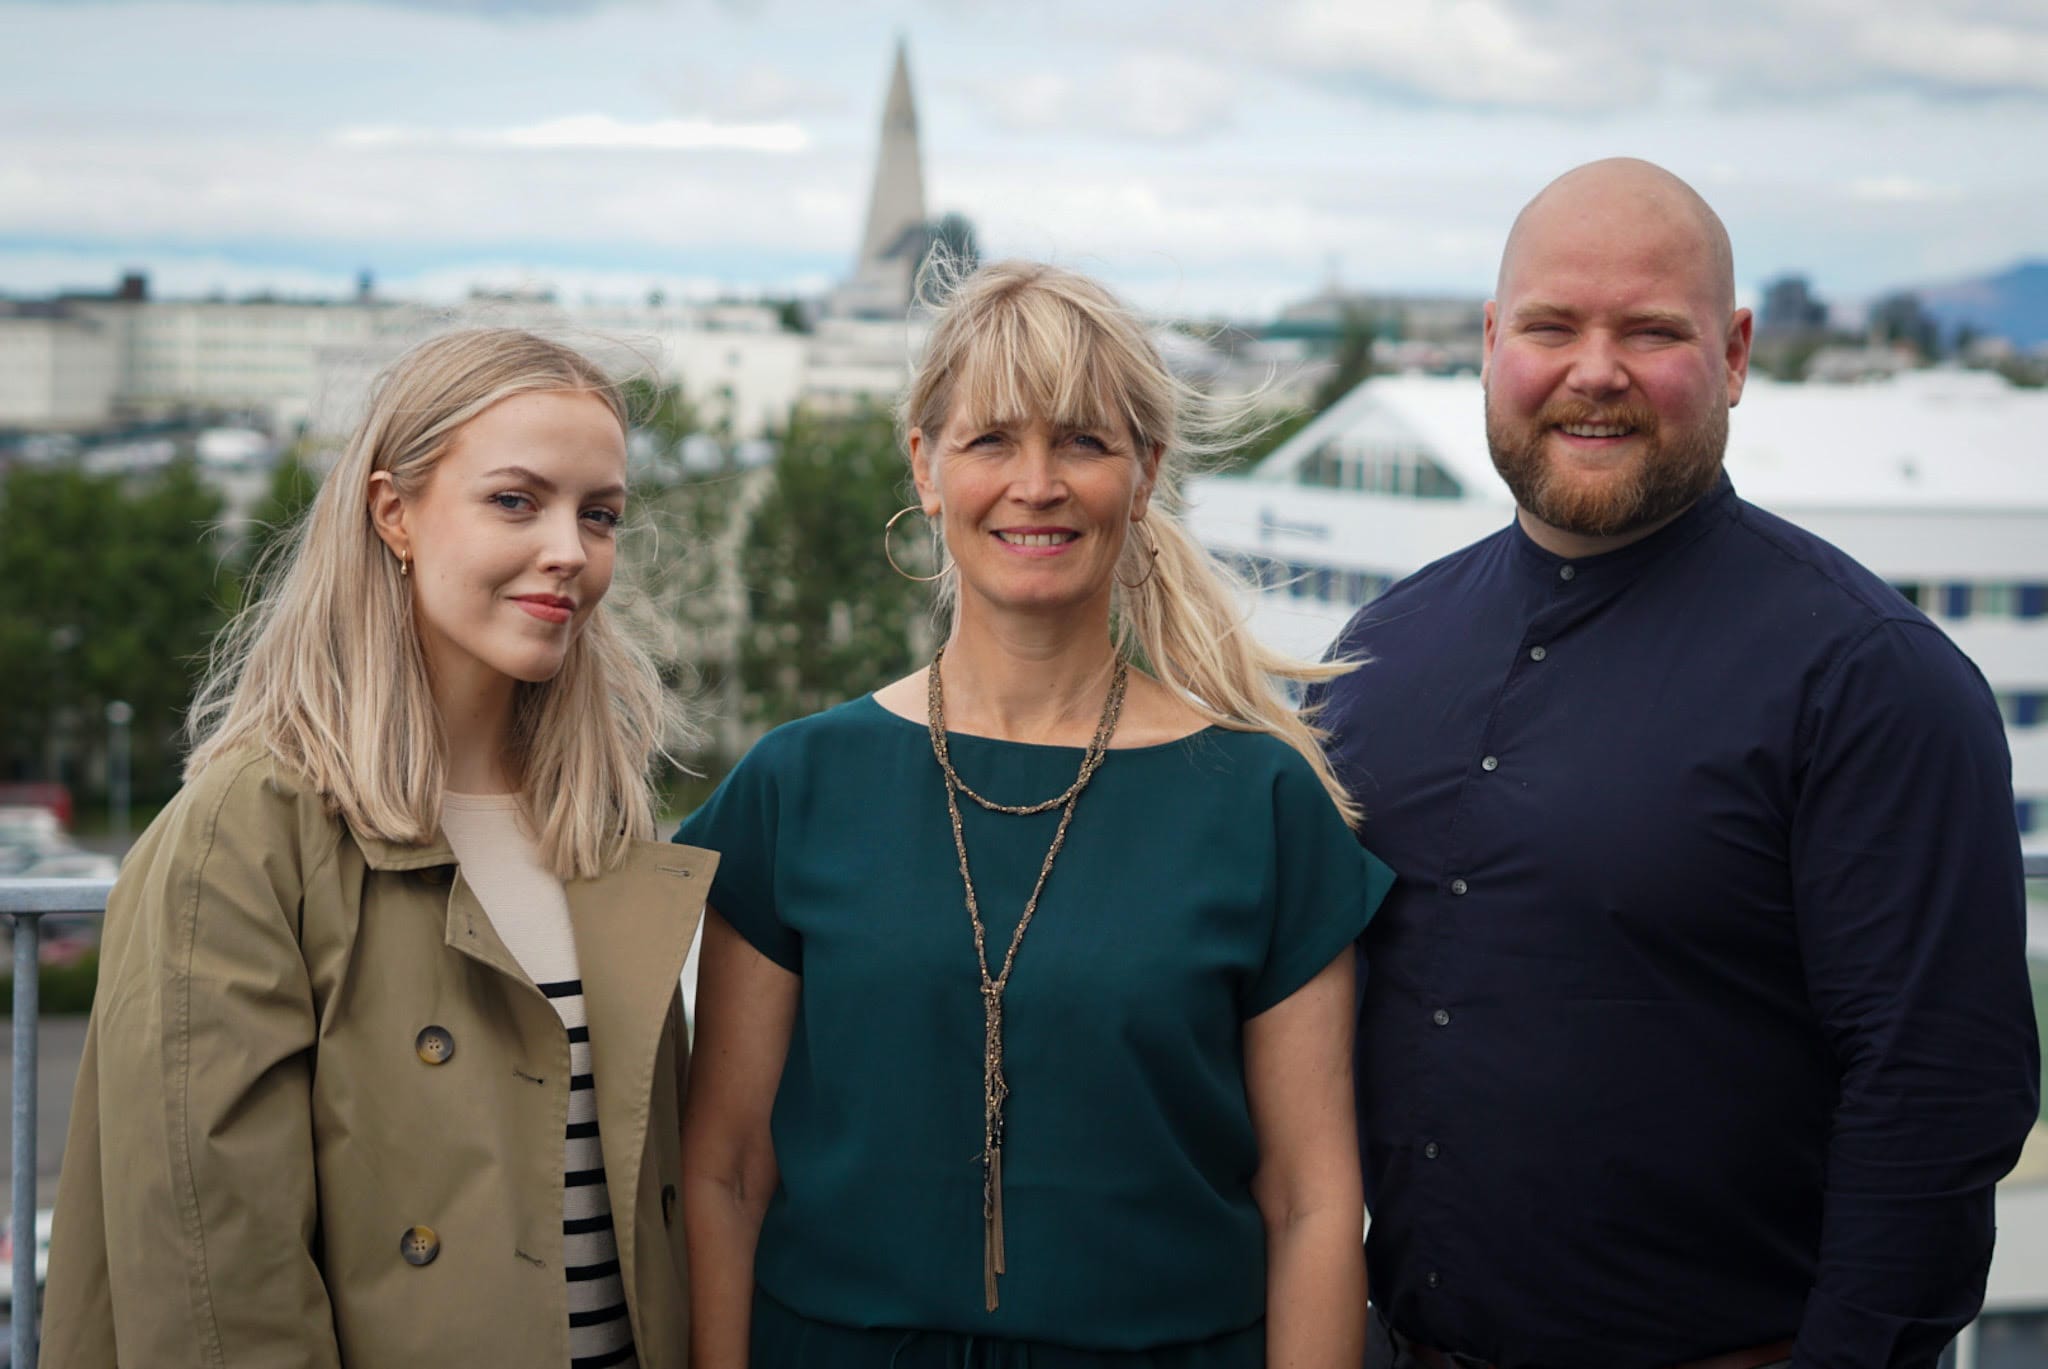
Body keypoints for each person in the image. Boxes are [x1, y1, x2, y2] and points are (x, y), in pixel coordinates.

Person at [1313, 158, 2040, 1369]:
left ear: (1736, 351)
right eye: (1550, 326)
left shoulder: (1869, 680)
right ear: (1492, 342)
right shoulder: (1380, 652)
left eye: (1648, 331)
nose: (1592, 371)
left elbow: (1935, 1097)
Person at [677, 259, 1393, 1369]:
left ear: (1145, 471)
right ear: (922, 465)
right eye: (991, 441)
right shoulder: (793, 788)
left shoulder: (1260, 804)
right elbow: (722, 1169)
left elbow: (1309, 1202)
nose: (1036, 482)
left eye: (1083, 442)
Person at [43, 328, 714, 1368]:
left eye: (600, 515)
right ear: (392, 511)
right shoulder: (250, 830)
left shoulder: (599, 820)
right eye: (514, 500)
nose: (569, 551)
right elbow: (214, 1283)